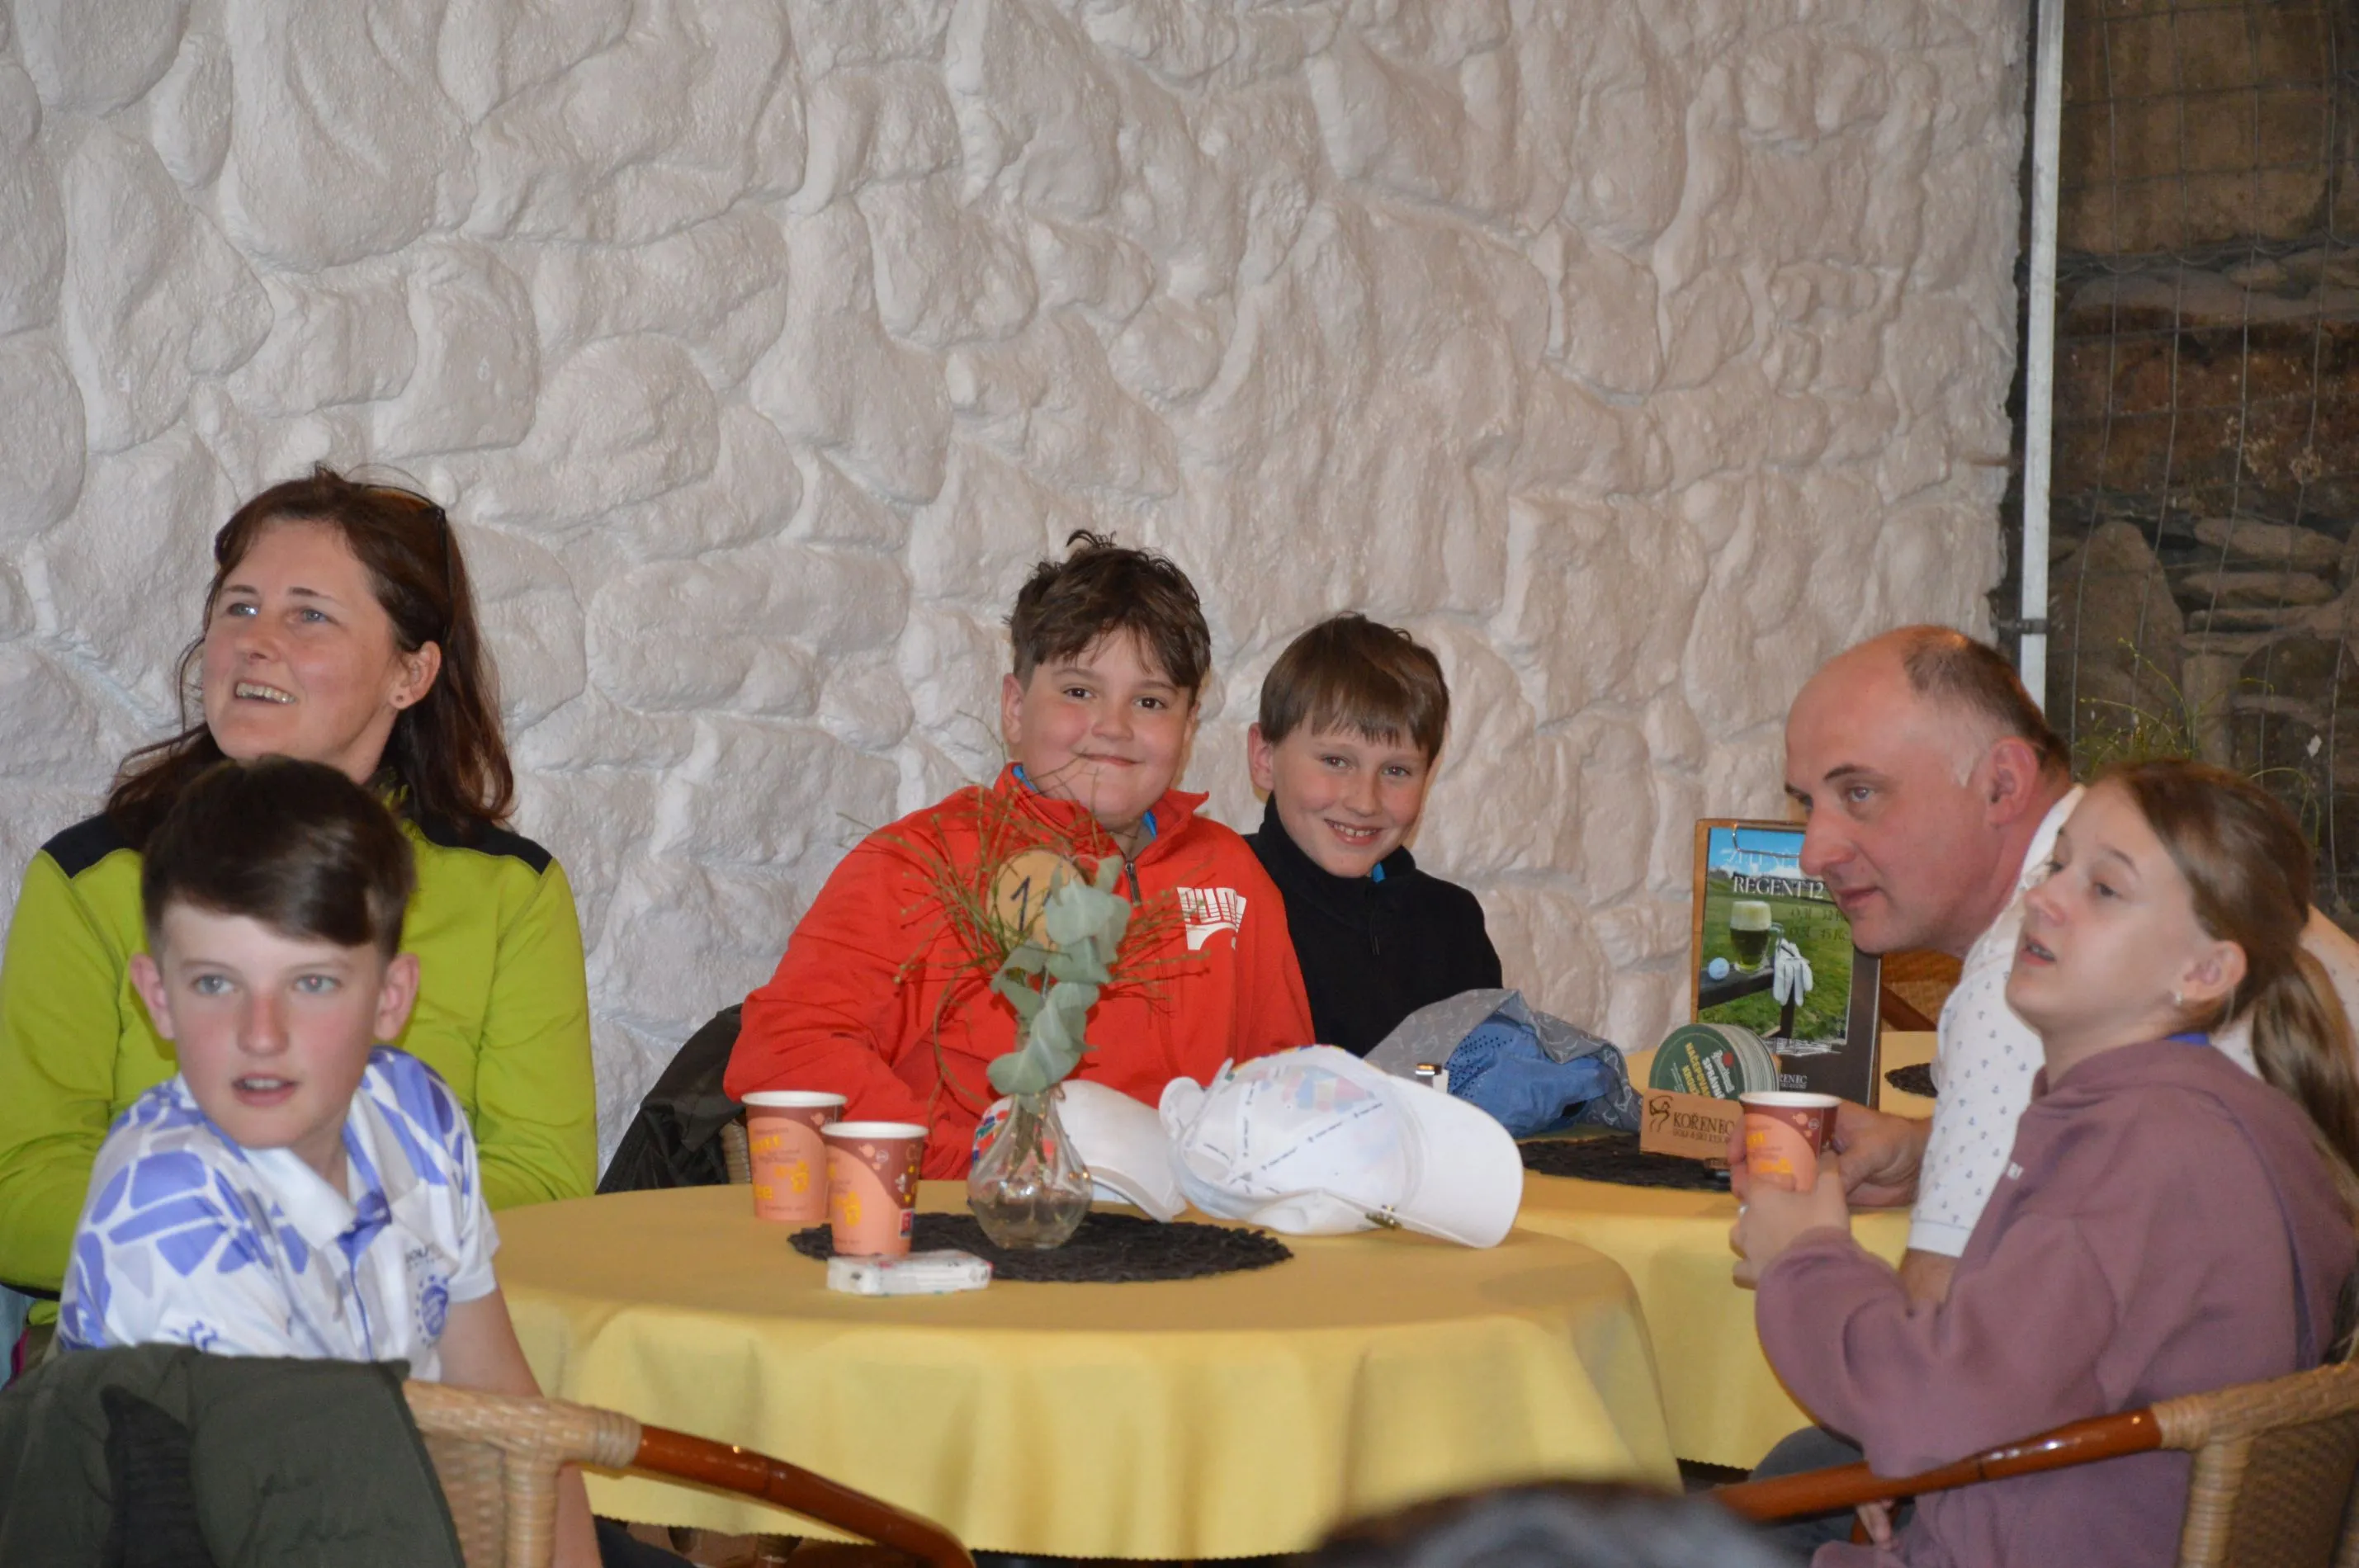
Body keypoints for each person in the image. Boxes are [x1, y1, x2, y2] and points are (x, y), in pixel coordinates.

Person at [0, 470, 597, 1320]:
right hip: (146, 1356)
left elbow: (546, 1184)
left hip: (417, 1350)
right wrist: (255, 1239)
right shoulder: (94, 878)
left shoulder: (510, 892)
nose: (255, 641)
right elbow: (20, 1187)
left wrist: (345, 1243)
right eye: (238, 606)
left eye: (309, 615)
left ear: (411, 672)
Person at [1733, 759, 2359, 1566]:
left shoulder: (2138, 1149)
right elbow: (2017, 1375)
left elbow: (1930, 1401)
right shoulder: (2210, 1116)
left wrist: (1802, 1256)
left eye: (2105, 888)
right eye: (2057, 864)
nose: (2046, 898)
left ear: (2204, 972)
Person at [53, 758, 676, 1568]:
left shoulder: (413, 1109)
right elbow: (300, 1527)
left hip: (401, 1507)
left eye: (312, 982)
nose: (261, 1033)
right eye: (215, 983)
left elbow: (505, 1400)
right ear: (158, 995)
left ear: (391, 996)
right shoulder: (168, 1210)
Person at [1780, 626, 2359, 1305]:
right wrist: (1927, 1148)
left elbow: (1947, 1342)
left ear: (2002, 785)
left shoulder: (2033, 977)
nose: (1813, 854)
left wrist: (1803, 1259)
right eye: (1806, 803)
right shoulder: (2177, 882)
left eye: (1859, 794)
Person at [727, 531, 1314, 1175]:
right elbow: (788, 1051)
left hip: (1186, 1223)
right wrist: (988, 1169)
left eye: (1150, 702)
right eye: (1079, 692)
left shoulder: (1230, 875)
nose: (1114, 727)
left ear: (1189, 726)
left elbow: (1282, 1090)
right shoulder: (922, 863)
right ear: (1014, 709)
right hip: (977, 1215)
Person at [1243, 613, 1501, 1056]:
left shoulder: (1452, 925)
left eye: (1396, 770)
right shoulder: (1223, 906)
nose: (1365, 802)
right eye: (1336, 761)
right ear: (1265, 758)